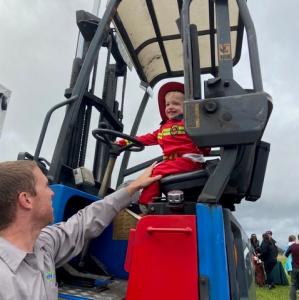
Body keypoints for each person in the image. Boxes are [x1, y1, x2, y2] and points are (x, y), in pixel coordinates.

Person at [0, 160, 161, 300]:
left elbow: (82, 223)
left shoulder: (43, 245)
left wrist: (133, 187)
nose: (52, 193)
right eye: (46, 186)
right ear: (26, 200)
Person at [117, 82, 210, 206]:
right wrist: (123, 142)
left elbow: (205, 140)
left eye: (176, 104)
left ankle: (146, 205)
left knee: (154, 173)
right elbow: (145, 138)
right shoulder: (163, 129)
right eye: (167, 104)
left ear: (187, 107)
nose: (170, 107)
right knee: (154, 171)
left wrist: (203, 148)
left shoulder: (189, 123)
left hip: (188, 160)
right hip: (173, 163)